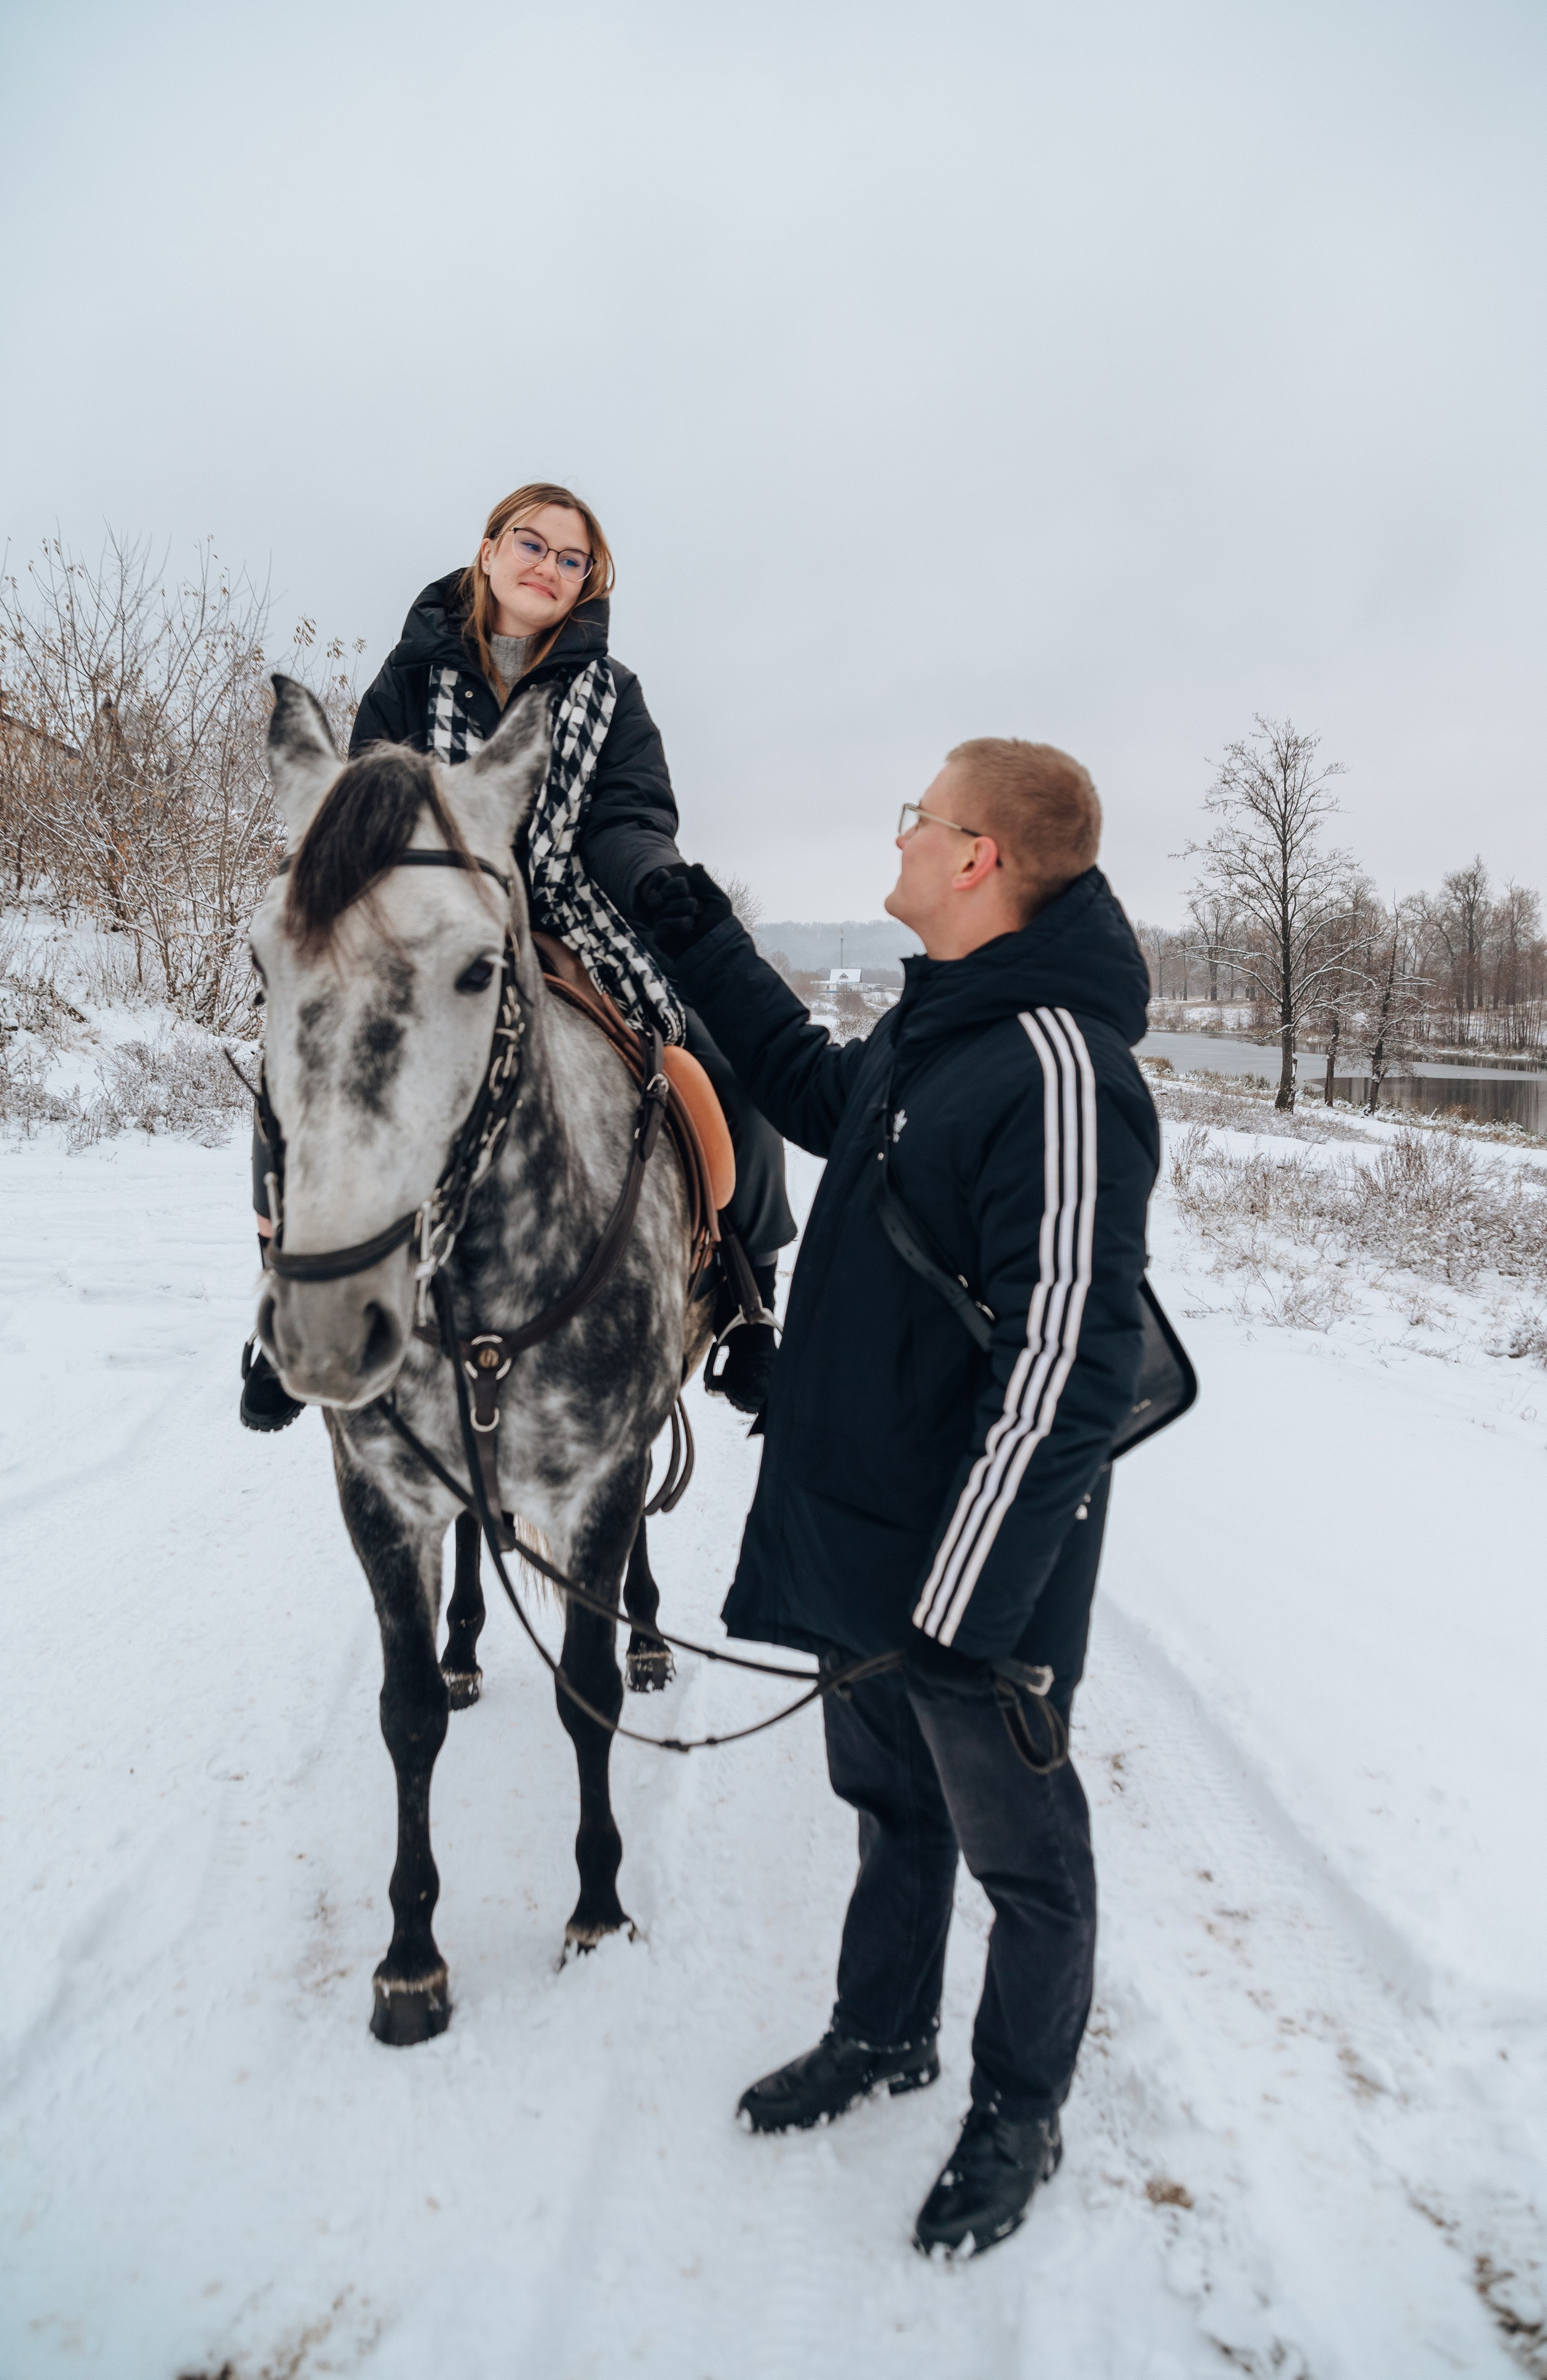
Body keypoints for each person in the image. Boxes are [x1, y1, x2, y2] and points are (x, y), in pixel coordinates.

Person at [645, 739, 1157, 2258]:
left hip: (975, 1577)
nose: (901, 838)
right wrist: (699, 933)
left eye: (917, 818)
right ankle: (881, 2032)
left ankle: (1017, 2109)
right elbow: (812, 1089)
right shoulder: (937, 1029)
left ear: (978, 856)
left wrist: (965, 1610)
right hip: (872, 1540)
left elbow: (1066, 1364)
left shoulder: (1061, 1068)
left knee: (1024, 1860)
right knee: (889, 1809)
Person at [240, 481, 795, 1431]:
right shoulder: (411, 673)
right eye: (532, 544)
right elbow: (370, 806)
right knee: (305, 1069)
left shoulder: (612, 695)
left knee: (722, 1077)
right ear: (491, 549)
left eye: (573, 559)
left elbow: (627, 818)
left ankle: (750, 1295)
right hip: (432, 924)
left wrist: (655, 878)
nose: (550, 567)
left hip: (577, 918)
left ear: (588, 582)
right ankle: (287, 1303)